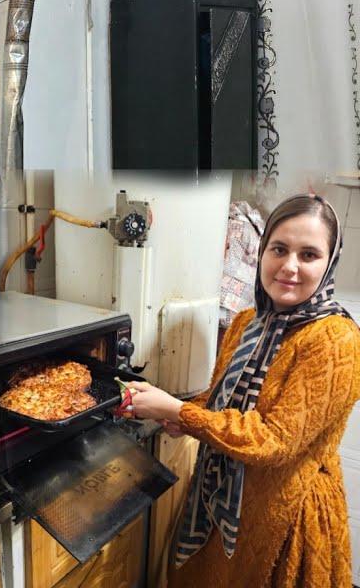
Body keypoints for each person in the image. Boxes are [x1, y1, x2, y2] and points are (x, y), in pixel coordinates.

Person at [129, 194, 360, 587]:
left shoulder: (336, 340)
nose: (289, 266)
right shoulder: (247, 323)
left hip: (284, 518)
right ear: (263, 251)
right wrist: (178, 413)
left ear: (329, 263)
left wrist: (182, 414)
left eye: (308, 255)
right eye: (280, 249)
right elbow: (223, 401)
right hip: (218, 504)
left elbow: (274, 441)